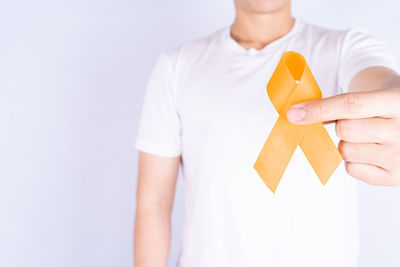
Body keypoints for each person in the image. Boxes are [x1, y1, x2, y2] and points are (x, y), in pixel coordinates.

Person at [134, 0, 400, 266]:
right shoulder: (176, 66)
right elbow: (153, 205)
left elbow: (383, 82)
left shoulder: (346, 48)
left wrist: (392, 99)